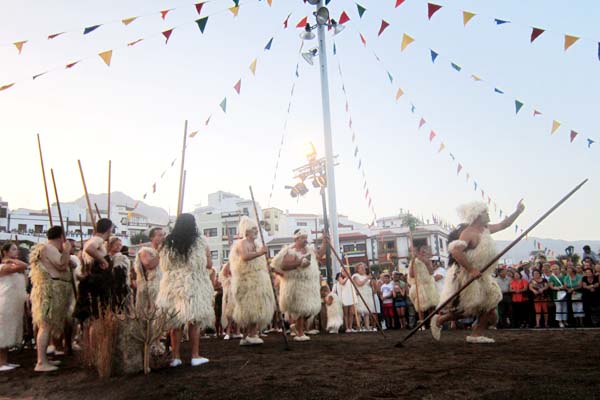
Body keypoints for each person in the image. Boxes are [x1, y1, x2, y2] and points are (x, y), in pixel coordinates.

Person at [431, 200, 524, 343]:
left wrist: (517, 212)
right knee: (467, 308)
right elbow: (456, 251)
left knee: (491, 300)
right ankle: (442, 319)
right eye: (485, 213)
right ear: (477, 215)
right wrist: (472, 269)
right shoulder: (468, 233)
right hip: (466, 275)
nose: (488, 215)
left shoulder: (485, 229)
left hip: (482, 275)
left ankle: (475, 334)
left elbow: (504, 224)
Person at [156, 213, 215, 367]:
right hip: (193, 284)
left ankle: (175, 357)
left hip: (172, 284)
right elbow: (208, 264)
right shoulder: (200, 242)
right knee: (194, 320)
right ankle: (195, 356)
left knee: (176, 321)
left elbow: (164, 265)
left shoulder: (168, 243)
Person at [29, 226, 74, 372]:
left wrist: (66, 252)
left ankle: (44, 359)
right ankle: (41, 362)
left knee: (47, 325)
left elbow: (69, 264)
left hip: (55, 289)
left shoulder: (53, 250)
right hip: (50, 291)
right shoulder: (48, 249)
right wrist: (66, 250)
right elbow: (61, 265)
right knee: (45, 325)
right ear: (61, 237)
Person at [270, 228, 327, 342]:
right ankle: (300, 333)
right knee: (301, 310)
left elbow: (319, 255)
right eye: (302, 238)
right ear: (296, 239)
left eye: (306, 238)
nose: (305, 240)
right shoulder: (290, 251)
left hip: (309, 285)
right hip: (296, 285)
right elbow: (284, 266)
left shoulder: (310, 249)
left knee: (309, 310)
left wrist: (325, 242)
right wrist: (299, 263)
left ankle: (296, 327)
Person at [229, 217, 276, 346]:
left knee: (256, 308)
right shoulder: (242, 243)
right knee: (250, 309)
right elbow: (244, 257)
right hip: (247, 281)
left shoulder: (256, 244)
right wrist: (260, 253)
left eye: (256, 229)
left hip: (258, 281)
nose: (256, 231)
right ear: (247, 231)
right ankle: (250, 334)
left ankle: (251, 334)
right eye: (253, 229)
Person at [73, 218, 114, 323]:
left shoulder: (90, 240)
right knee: (97, 316)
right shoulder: (97, 240)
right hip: (98, 282)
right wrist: (103, 260)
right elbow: (90, 249)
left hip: (90, 280)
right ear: (108, 229)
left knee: (89, 318)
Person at [0, 242, 28, 371]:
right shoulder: (4, 267)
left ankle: (5, 360)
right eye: (13, 249)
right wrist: (9, 259)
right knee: (4, 331)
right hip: (6, 302)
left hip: (14, 302)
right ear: (5, 252)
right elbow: (24, 265)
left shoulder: (12, 266)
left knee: (10, 330)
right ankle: (1, 362)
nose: (17, 252)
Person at [408, 246, 439, 323]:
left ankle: (432, 322)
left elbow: (431, 272)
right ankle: (421, 322)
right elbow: (411, 275)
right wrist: (412, 262)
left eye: (425, 251)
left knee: (431, 305)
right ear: (419, 252)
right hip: (419, 285)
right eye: (422, 251)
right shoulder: (414, 261)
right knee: (420, 305)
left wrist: (427, 263)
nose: (424, 253)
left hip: (429, 284)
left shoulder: (428, 261)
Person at [352, 263, 377, 332]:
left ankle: (367, 326)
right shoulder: (355, 276)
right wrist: (367, 278)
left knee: (367, 312)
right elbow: (359, 284)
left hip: (367, 294)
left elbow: (370, 285)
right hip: (360, 295)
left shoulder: (366, 276)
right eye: (361, 268)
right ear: (357, 269)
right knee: (359, 311)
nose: (363, 269)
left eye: (364, 268)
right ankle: (359, 326)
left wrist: (372, 281)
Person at [107, 236, 130, 307]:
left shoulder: (122, 257)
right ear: (110, 245)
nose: (119, 246)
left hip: (121, 286)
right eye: (116, 244)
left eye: (120, 244)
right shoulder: (106, 257)